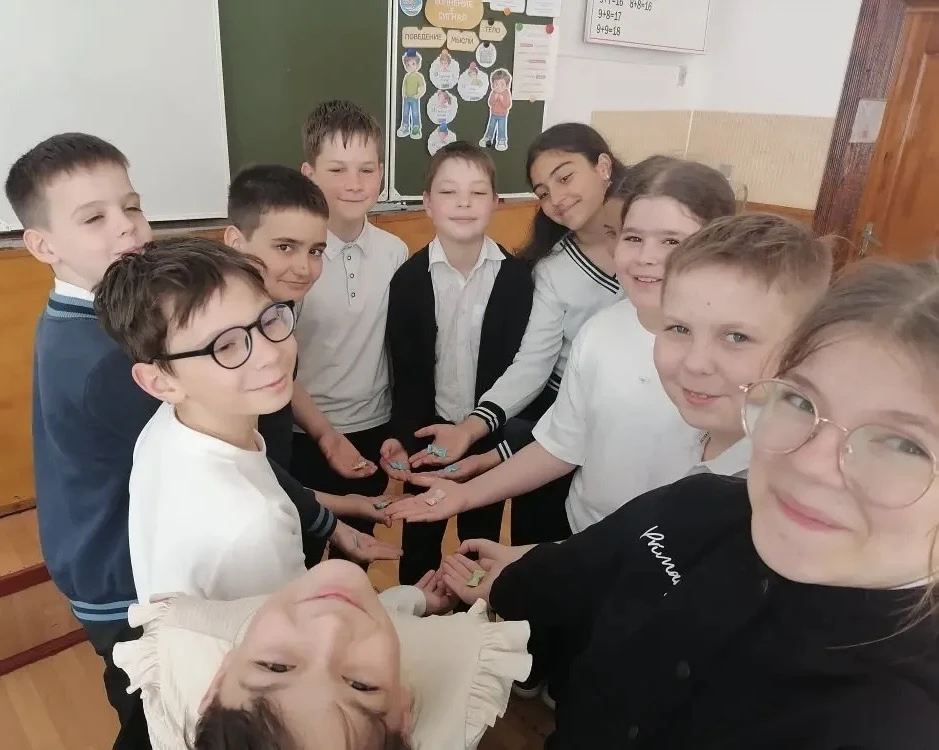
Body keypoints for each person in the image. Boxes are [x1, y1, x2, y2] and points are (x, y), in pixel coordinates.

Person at [439, 259, 939, 748]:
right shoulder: (695, 505)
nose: (809, 462)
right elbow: (585, 566)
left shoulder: (902, 721)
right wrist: (506, 579)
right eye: (799, 401)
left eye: (904, 445)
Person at [393, 156, 737, 538]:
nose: (646, 257)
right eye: (633, 238)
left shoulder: (743, 357)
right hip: (584, 532)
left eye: (672, 240)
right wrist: (465, 495)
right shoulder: (600, 332)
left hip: (671, 552)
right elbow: (562, 443)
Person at [94, 238, 401, 603]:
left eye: (269, 319)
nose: (270, 353)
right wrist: (406, 603)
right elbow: (296, 633)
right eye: (225, 346)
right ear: (159, 381)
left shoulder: (171, 424)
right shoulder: (254, 527)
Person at [409, 123, 628, 546]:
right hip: (556, 418)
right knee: (540, 547)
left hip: (626, 434)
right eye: (543, 192)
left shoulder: (652, 250)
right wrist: (472, 430)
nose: (557, 198)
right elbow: (533, 364)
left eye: (565, 177)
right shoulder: (551, 269)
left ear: (603, 166)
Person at [6, 132, 155, 748]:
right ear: (43, 246)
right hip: (121, 577)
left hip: (92, 553)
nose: (126, 226)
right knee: (156, 717)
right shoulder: (103, 353)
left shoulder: (86, 315)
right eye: (94, 218)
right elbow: (200, 448)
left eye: (132, 205)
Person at [224, 165, 398, 564]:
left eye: (315, 251)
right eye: (285, 247)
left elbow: (282, 387)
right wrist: (342, 511)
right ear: (235, 240)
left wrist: (326, 435)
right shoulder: (226, 342)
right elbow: (250, 477)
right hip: (247, 536)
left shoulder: (276, 311)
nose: (304, 267)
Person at [380, 141, 534, 584]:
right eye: (448, 192)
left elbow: (524, 368)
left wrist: (490, 434)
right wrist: (400, 437)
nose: (464, 203)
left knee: (479, 543)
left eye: (477, 192)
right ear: (427, 203)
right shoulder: (408, 280)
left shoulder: (519, 279)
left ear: (496, 202)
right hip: (427, 439)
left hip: (488, 438)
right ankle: (418, 612)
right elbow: (405, 372)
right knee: (420, 545)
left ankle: (473, 615)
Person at [293, 101, 409, 532]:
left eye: (366, 169)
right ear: (309, 174)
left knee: (362, 539)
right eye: (337, 170)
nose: (355, 184)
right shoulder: (293, 261)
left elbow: (398, 347)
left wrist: (400, 428)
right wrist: (322, 433)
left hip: (374, 427)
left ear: (382, 172)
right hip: (304, 431)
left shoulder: (395, 252)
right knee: (305, 544)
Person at [651, 212, 832, 480]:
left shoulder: (786, 487)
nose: (695, 363)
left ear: (805, 349)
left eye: (736, 337)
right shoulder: (677, 431)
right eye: (680, 329)